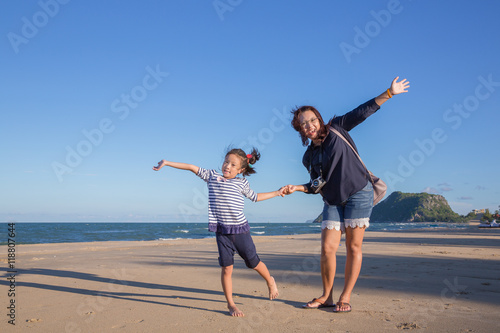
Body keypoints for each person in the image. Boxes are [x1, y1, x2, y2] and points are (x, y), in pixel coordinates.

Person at [284, 77, 410, 313]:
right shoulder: (308, 157)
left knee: (353, 247)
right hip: (332, 200)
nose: (310, 125)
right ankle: (327, 296)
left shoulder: (337, 128)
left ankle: (346, 296)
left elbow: (362, 112)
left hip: (358, 193)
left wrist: (389, 93)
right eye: (304, 124)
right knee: (327, 249)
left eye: (313, 120)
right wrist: (297, 187)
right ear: (299, 129)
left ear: (319, 120)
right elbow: (316, 185)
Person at [153, 147, 283, 317]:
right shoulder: (212, 176)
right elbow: (192, 167)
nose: (227, 166)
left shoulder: (242, 183)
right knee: (226, 269)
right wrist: (167, 163)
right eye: (226, 162)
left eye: (232, 164)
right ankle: (231, 304)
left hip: (240, 231)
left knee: (253, 263)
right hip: (221, 232)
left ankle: (270, 280)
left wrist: (277, 192)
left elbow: (256, 197)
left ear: (240, 170)